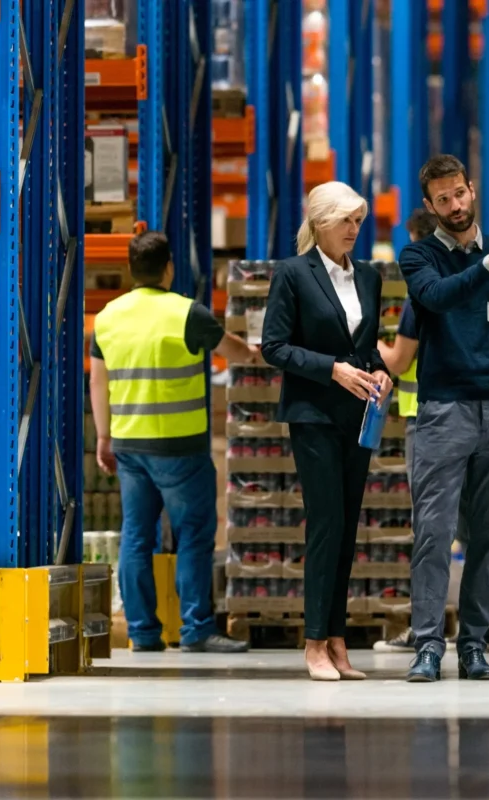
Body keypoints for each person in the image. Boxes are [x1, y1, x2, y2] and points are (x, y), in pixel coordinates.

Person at [399, 155, 489, 682]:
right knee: (433, 532)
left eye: (459, 193)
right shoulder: (419, 257)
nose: (455, 206)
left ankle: (474, 645)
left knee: (487, 536)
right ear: (430, 205)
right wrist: (486, 268)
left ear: (472, 189)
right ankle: (427, 645)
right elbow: (436, 297)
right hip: (445, 411)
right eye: (443, 199)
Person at [90, 231, 258, 654]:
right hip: (180, 447)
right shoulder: (187, 313)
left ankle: (143, 632)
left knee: (136, 537)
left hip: (130, 446)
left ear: (132, 269)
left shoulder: (107, 317)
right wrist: (256, 352)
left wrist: (103, 436)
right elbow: (234, 352)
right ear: (168, 268)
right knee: (193, 536)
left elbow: (98, 381)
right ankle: (196, 628)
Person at [261, 181, 393, 681]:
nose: (354, 230)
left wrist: (380, 370)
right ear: (319, 224)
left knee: (347, 528)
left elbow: (367, 346)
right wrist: (331, 369)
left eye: (358, 221)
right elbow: (274, 346)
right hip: (313, 414)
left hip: (358, 416)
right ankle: (314, 642)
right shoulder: (293, 274)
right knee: (326, 524)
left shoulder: (369, 277)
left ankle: (337, 641)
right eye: (345, 221)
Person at [374, 207, 489, 655]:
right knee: (472, 527)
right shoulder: (477, 287)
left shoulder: (421, 296)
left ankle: (425, 629)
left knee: (430, 530)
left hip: (428, 420)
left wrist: (366, 339)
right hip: (476, 417)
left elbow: (399, 361)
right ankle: (477, 628)